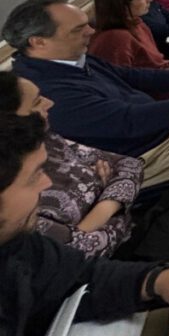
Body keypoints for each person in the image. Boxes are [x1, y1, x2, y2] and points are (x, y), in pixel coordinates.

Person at [0, 113, 169, 336]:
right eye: (32, 177)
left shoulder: (14, 239)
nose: (46, 184)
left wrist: (156, 281)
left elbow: (79, 275)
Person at [2, 0, 169, 189]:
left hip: (165, 130)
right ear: (38, 42)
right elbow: (130, 120)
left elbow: (137, 76)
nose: (91, 31)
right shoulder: (46, 90)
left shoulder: (73, 59)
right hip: (145, 155)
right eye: (78, 29)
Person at [0, 71, 142, 259]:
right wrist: (114, 200)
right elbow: (76, 254)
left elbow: (130, 164)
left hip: (136, 232)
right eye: (37, 102)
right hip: (117, 259)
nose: (50, 103)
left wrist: (90, 222)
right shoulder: (11, 192)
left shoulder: (44, 139)